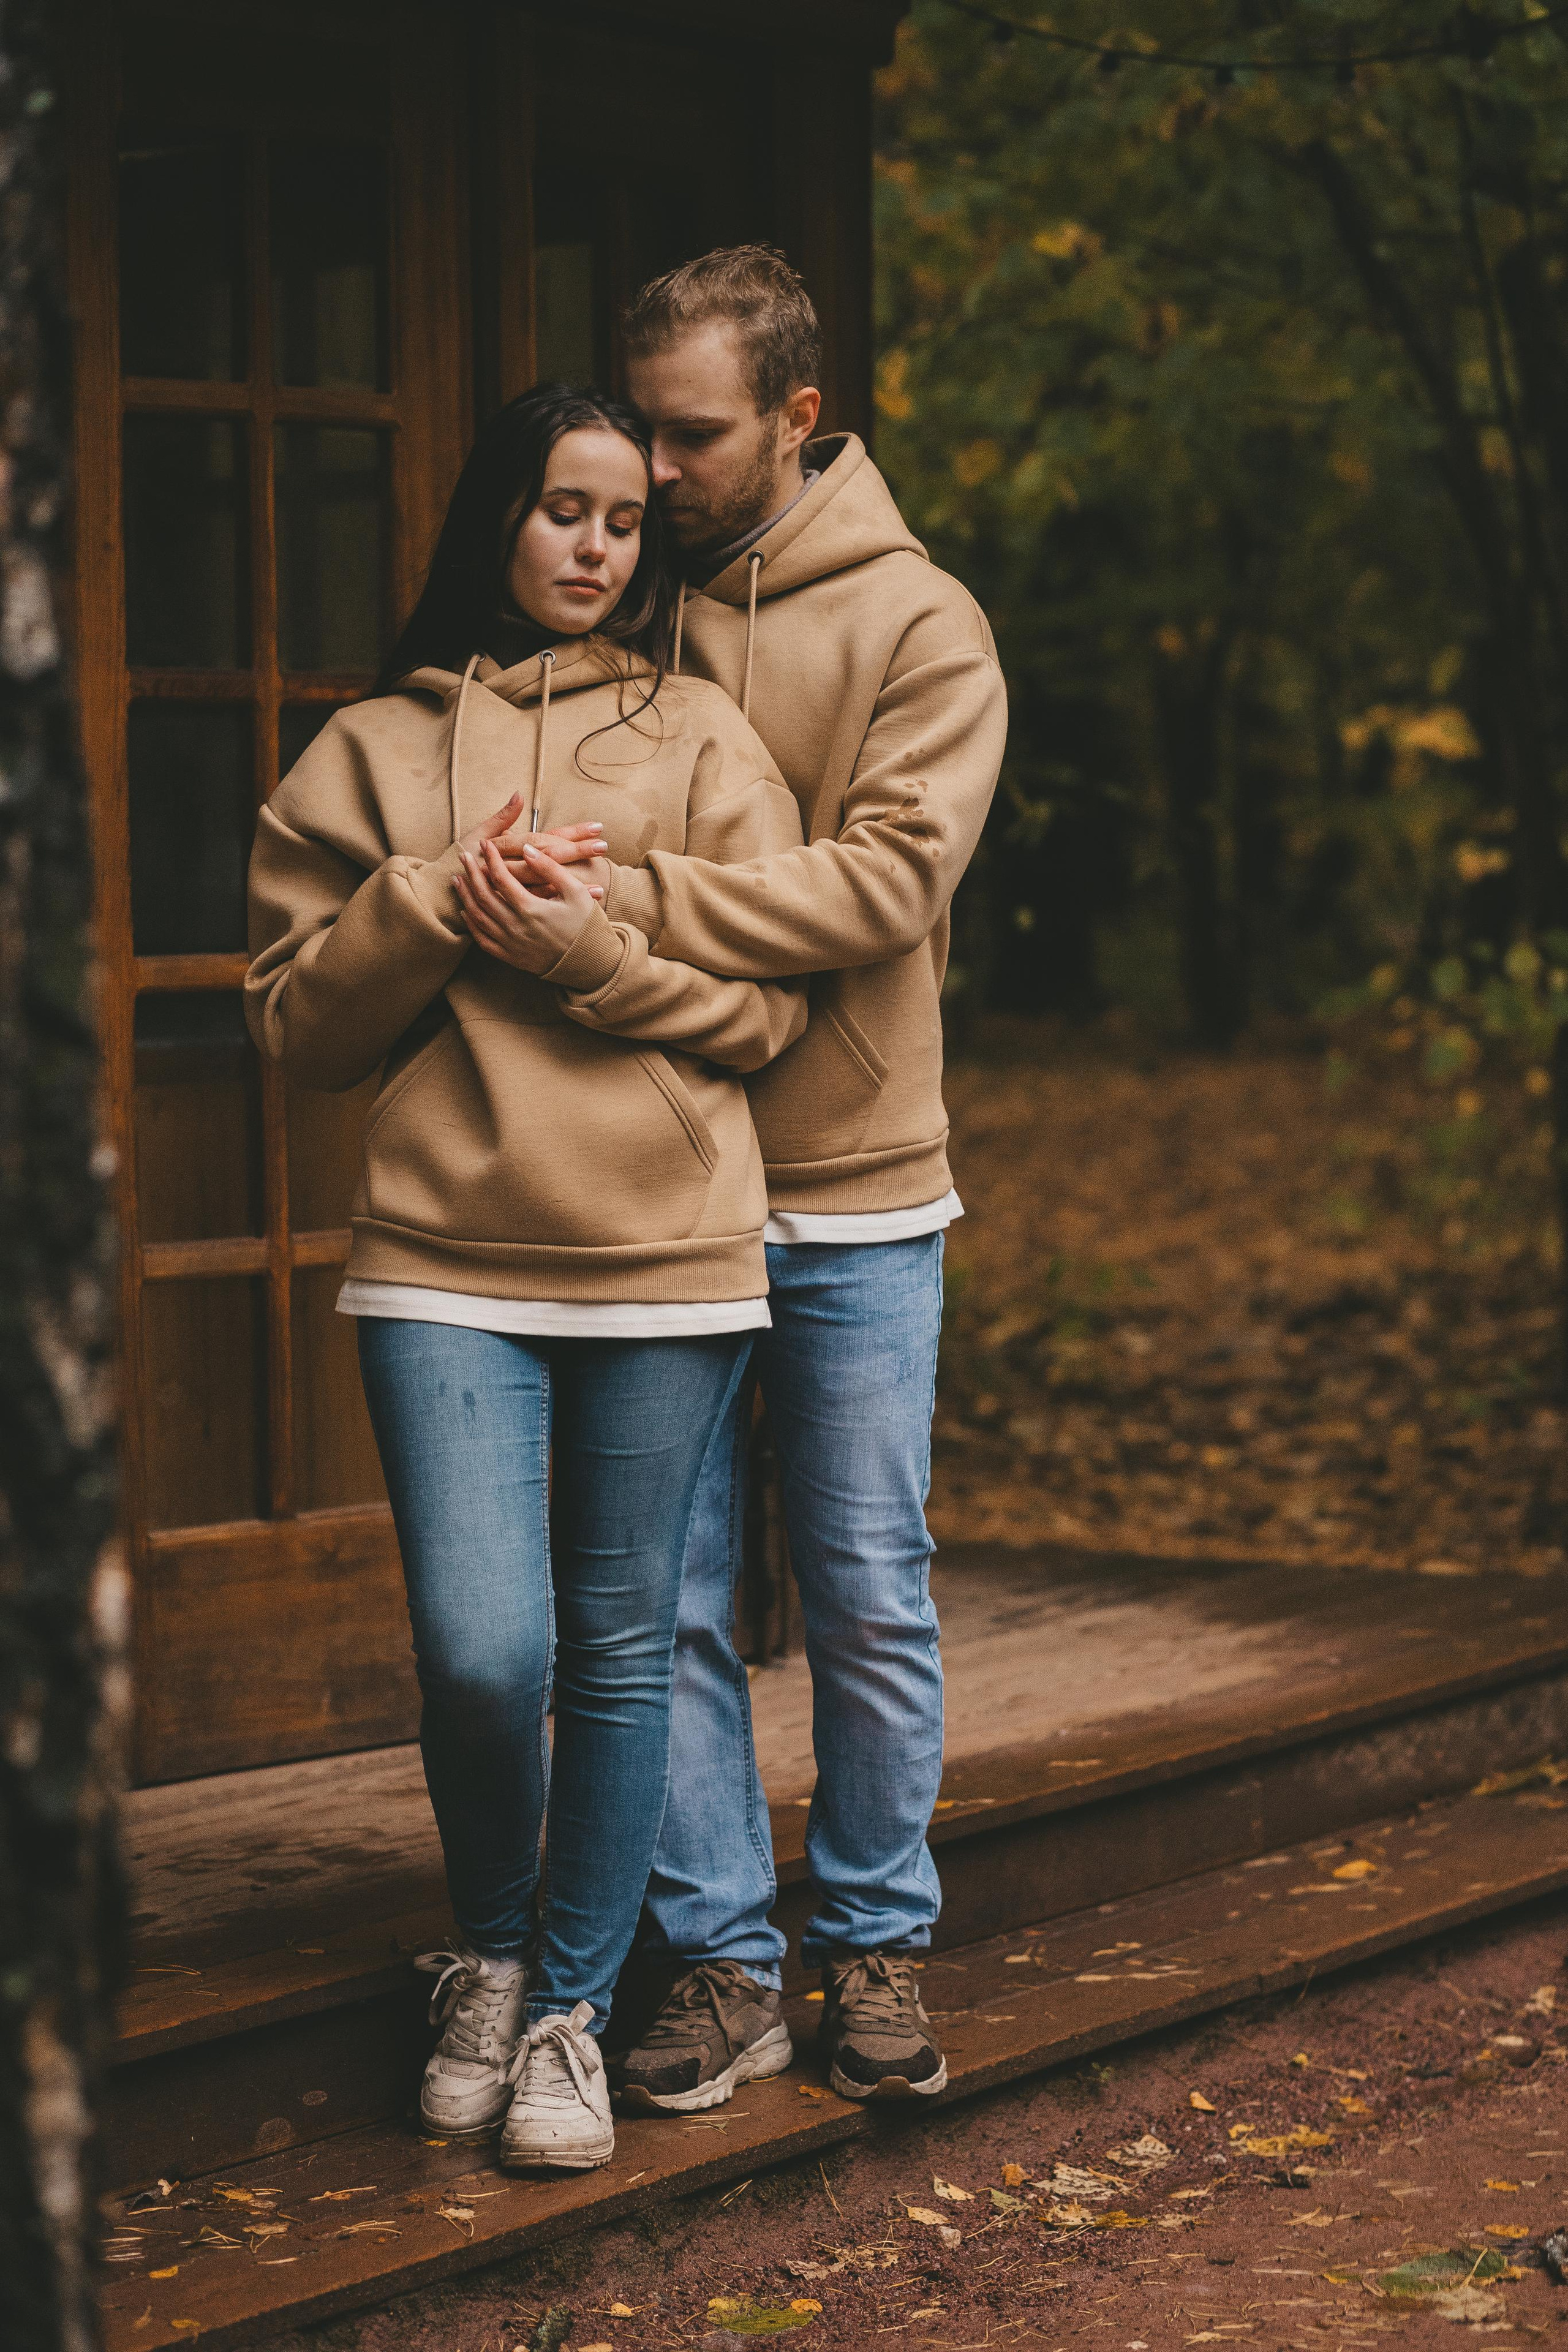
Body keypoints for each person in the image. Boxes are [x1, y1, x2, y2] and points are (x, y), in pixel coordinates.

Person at [244, 384, 806, 2171]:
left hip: (665, 1251)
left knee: (622, 1652)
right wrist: (434, 898)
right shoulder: (371, 749)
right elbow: (294, 1028)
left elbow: (768, 1015)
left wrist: (587, 955)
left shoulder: (706, 736)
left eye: (628, 520)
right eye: (566, 509)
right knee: (485, 1652)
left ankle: (567, 2009)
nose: (597, 547)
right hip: (442, 1254)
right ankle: (488, 1954)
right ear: (499, 512)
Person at [521, 249, 1008, 2109]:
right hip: (662, 1177)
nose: (652, 467)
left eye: (692, 433)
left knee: (869, 1584)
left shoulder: (923, 624)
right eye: (639, 424)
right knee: (671, 1596)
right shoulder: (626, 592)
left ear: (799, 417)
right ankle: (722, 1961)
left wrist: (640, 896)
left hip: (859, 1184)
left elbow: (887, 882)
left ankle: (874, 1940)